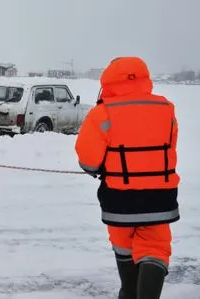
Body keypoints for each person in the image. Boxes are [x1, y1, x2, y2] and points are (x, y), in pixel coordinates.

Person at [75, 57, 180, 299]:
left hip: (119, 202)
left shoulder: (102, 113)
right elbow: (170, 146)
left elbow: (88, 159)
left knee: (124, 248)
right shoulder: (167, 109)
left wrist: (99, 169)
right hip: (160, 200)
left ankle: (129, 292)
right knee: (155, 249)